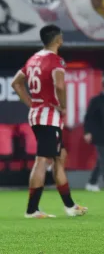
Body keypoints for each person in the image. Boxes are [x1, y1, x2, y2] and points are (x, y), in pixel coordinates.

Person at [10, 24, 87, 218]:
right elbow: (59, 85)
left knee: (59, 156)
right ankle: (32, 209)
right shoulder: (56, 61)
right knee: (43, 161)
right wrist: (63, 105)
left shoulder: (34, 59)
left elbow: (16, 83)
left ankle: (70, 206)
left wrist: (31, 102)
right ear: (59, 39)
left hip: (38, 114)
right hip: (48, 115)